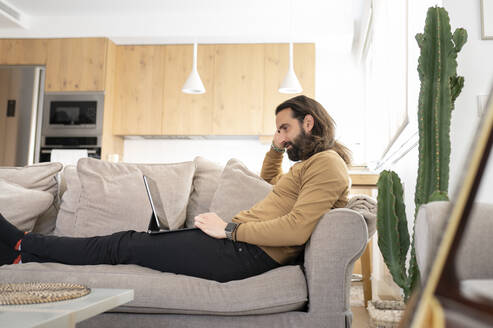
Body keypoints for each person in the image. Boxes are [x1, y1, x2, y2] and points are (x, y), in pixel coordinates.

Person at [0, 95, 351, 283]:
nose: (282, 137)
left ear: (309, 122)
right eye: (278, 130)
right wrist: (277, 147)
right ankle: (20, 255)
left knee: (124, 244)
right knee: (130, 242)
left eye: (285, 128)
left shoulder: (327, 164)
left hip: (242, 252)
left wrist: (230, 229)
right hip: (239, 248)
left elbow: (297, 228)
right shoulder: (309, 165)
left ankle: (21, 243)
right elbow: (271, 180)